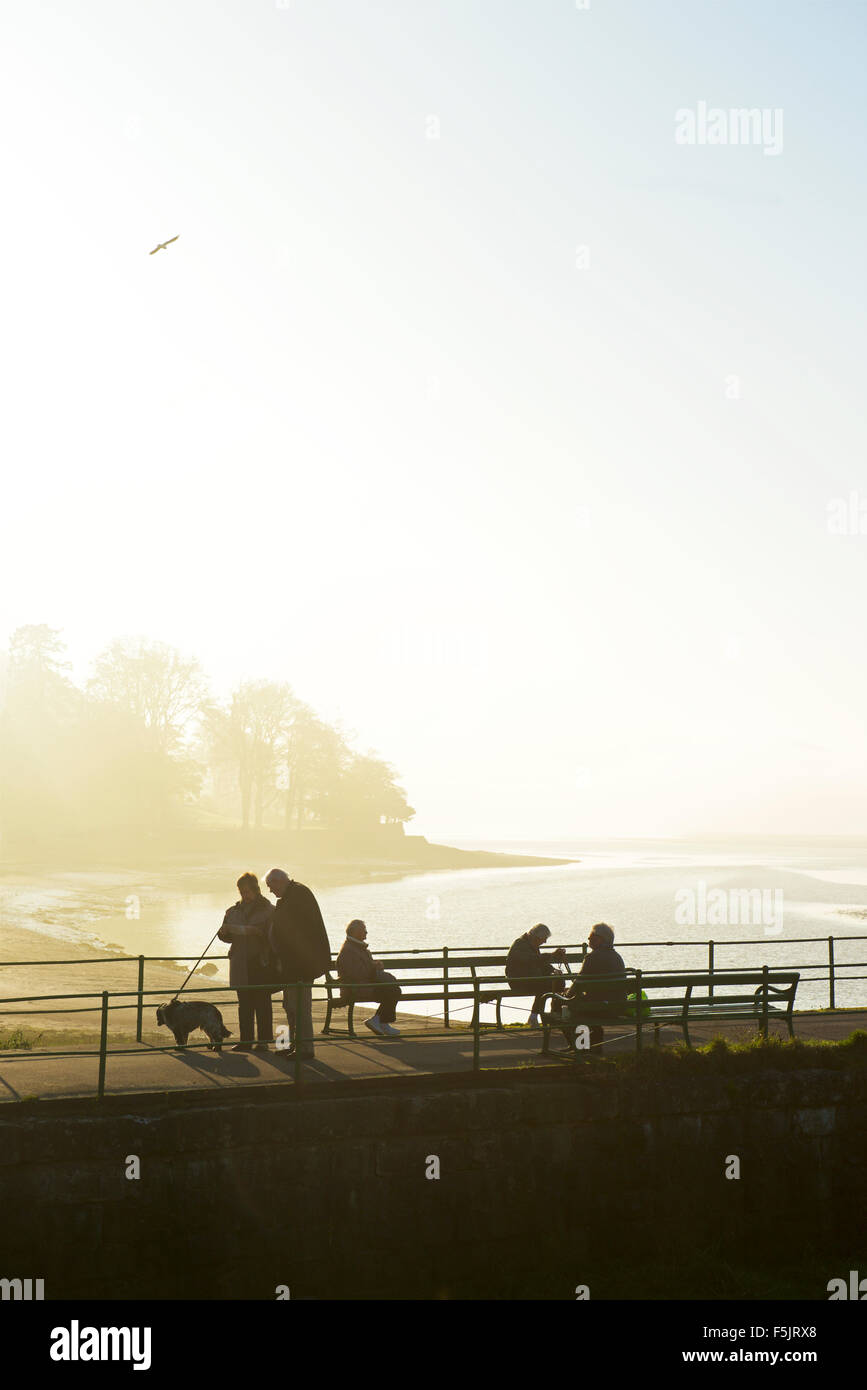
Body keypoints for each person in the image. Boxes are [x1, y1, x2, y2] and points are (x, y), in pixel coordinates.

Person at [266, 868, 331, 1060]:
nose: (270, 891)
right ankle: (294, 1045)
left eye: (271, 886)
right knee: (291, 1006)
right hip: (291, 965)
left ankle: (305, 1049)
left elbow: (293, 931)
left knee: (300, 1007)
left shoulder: (298, 895)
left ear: (280, 882)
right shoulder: (294, 895)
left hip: (299, 966)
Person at [217, 872, 276, 1051]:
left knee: (262, 1003)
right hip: (240, 963)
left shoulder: (269, 910)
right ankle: (246, 1041)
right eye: (241, 892)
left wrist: (232, 928)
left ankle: (264, 1042)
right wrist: (223, 933)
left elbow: (260, 932)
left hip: (261, 962)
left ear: (256, 890)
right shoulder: (233, 911)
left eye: (247, 892)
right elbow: (226, 937)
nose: (244, 896)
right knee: (244, 1005)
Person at [562, 922, 628, 1051]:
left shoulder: (592, 957)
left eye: (591, 936)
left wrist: (565, 995)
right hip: (617, 1006)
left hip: (598, 1008)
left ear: (600, 939)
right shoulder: (617, 957)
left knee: (558, 1004)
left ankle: (579, 1046)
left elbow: (578, 984)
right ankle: (592, 1042)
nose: (588, 939)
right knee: (585, 1005)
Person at [336, 919, 402, 1038]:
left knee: (393, 989)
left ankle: (381, 1021)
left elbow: (364, 968)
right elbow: (355, 973)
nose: (366, 933)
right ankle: (381, 1022)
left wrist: (375, 966)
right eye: (364, 930)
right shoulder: (348, 950)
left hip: (364, 985)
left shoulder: (359, 948)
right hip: (355, 988)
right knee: (393, 990)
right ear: (355, 932)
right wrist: (374, 968)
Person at [505, 923, 568, 1026]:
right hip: (518, 980)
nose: (545, 942)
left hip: (531, 978)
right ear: (536, 937)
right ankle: (534, 1016)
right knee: (544, 985)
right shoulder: (520, 944)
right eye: (543, 939)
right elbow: (531, 960)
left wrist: (554, 970)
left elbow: (539, 963)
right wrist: (551, 955)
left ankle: (554, 1013)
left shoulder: (532, 944)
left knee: (559, 982)